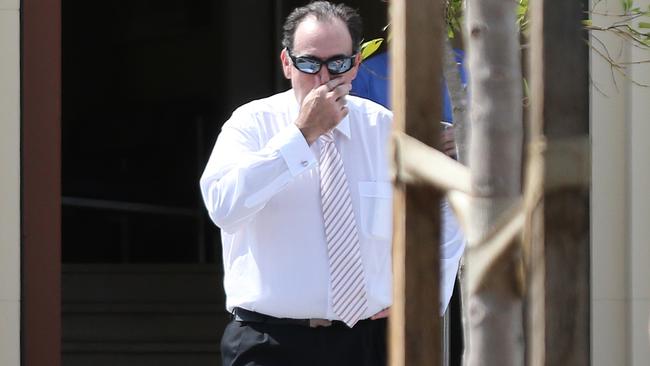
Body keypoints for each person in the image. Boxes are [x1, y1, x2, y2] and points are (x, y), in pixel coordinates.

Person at [200, 2, 463, 365]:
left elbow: (445, 208)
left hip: (371, 341)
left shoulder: (383, 128)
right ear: (287, 63)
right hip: (272, 340)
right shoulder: (250, 125)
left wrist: (422, 299)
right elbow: (223, 207)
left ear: (356, 64)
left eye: (337, 64)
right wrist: (301, 135)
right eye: (309, 63)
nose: (323, 78)